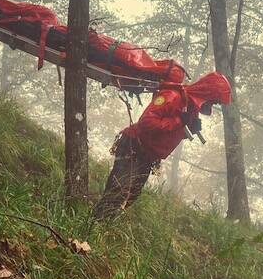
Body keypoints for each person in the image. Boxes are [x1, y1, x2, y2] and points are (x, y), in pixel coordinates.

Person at [93, 72, 232, 218]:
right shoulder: (172, 96)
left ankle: (104, 224)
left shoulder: (190, 107)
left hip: (148, 155)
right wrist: (178, 122)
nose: (213, 105)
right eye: (214, 101)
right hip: (134, 145)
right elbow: (146, 122)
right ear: (207, 93)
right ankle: (95, 224)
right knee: (118, 191)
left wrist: (189, 130)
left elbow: (170, 135)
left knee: (131, 195)